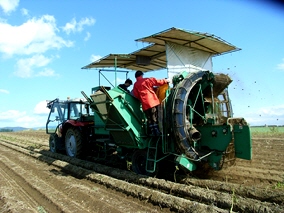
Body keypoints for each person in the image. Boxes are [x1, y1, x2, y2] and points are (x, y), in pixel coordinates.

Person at [132, 71, 170, 135]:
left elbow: (136, 94)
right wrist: (166, 80)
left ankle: (153, 132)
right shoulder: (147, 80)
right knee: (155, 116)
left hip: (144, 104)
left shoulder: (135, 84)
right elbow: (158, 82)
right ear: (141, 75)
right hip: (152, 102)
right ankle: (158, 131)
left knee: (149, 118)